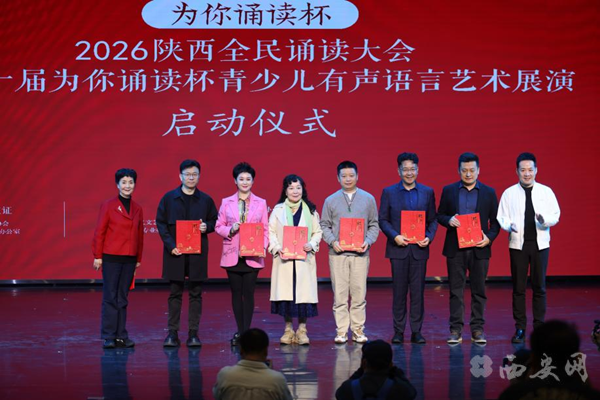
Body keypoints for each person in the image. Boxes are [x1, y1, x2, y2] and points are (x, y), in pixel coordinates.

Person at [437, 153, 500, 345]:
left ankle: (477, 329)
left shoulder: (489, 192)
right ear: (459, 171)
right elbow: (440, 215)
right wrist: (449, 220)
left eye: (472, 170)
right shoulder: (449, 190)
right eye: (464, 170)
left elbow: (495, 222)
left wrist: (488, 239)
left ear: (478, 170)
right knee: (455, 291)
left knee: (479, 290)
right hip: (455, 248)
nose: (468, 174)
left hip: (479, 248)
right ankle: (455, 330)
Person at [497, 153, 560, 343]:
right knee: (519, 288)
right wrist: (509, 226)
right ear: (517, 171)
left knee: (539, 287)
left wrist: (544, 219)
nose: (527, 174)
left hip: (540, 245)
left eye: (530, 170)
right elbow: (502, 217)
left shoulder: (546, 192)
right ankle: (520, 328)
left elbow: (555, 215)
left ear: (536, 170)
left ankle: (539, 327)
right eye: (523, 170)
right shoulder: (509, 193)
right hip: (518, 245)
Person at [156, 159, 218, 347]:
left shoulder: (206, 200)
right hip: (175, 252)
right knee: (174, 293)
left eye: (194, 174)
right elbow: (161, 223)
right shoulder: (169, 198)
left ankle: (193, 334)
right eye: (188, 174)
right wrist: (170, 245)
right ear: (180, 176)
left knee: (196, 293)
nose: (191, 178)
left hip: (197, 253)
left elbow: (215, 221)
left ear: (199, 176)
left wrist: (207, 226)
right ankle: (172, 333)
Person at [379, 153, 437, 344]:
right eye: (405, 169)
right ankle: (398, 331)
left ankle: (416, 331)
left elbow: (433, 220)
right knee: (399, 292)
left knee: (418, 292)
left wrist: (428, 237)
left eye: (413, 169)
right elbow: (383, 220)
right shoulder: (389, 192)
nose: (409, 173)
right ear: (399, 171)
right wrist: (395, 236)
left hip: (419, 250)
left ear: (418, 170)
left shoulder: (427, 192)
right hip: (398, 249)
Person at [321, 161, 380, 344]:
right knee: (339, 295)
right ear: (338, 178)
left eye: (351, 175)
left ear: (357, 176)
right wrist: (333, 241)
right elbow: (324, 225)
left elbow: (374, 224)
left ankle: (357, 330)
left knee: (359, 295)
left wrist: (367, 242)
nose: (348, 179)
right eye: (344, 176)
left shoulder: (368, 199)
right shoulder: (330, 200)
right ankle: (341, 331)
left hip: (360, 255)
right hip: (337, 254)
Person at [215, 162, 269, 346]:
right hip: (232, 254)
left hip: (252, 254)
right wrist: (231, 229)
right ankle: (240, 331)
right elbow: (218, 226)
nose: (245, 182)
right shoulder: (226, 202)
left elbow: (265, 229)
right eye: (241, 179)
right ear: (235, 181)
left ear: (253, 181)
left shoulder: (261, 203)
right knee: (236, 294)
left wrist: (262, 247)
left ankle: (246, 332)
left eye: (248, 179)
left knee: (249, 294)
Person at [92, 168, 143, 349]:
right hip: (111, 257)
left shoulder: (137, 208)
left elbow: (139, 235)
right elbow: (100, 231)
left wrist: (138, 258)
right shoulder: (108, 205)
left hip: (129, 259)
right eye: (124, 182)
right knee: (110, 297)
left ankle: (121, 335)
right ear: (118, 185)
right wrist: (98, 256)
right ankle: (109, 336)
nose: (127, 186)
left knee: (123, 297)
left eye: (131, 182)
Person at [269, 174, 323, 345]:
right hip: (284, 260)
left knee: (303, 297)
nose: (295, 191)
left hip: (303, 260)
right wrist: (277, 247)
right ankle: (288, 330)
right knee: (286, 296)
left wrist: (311, 243)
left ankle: (302, 330)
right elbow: (270, 232)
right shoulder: (277, 210)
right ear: (285, 191)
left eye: (298, 187)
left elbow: (317, 232)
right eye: (291, 188)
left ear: (303, 190)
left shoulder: (311, 210)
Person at [498, 320, 600, 400]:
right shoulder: (590, 395)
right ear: (577, 357)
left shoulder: (513, 395)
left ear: (534, 357)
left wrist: (517, 383)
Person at [213, 328, 293, 400]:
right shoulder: (277, 380)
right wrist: (270, 373)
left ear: (241, 350)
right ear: (266, 351)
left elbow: (217, 396)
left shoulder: (225, 375)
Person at [335, 339, 417, 400]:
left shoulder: (348, 389)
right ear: (390, 364)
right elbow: (412, 393)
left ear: (364, 363)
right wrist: (397, 372)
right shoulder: (399, 390)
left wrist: (360, 371)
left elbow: (339, 394)